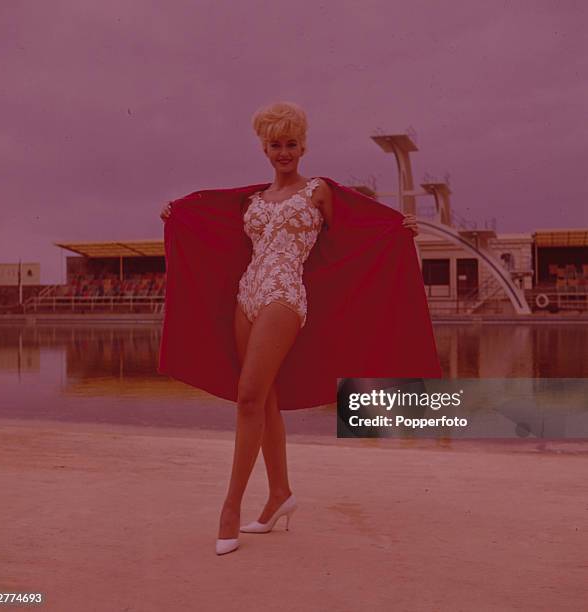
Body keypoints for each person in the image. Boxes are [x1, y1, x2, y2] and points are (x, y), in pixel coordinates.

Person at [158, 101, 441, 556]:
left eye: (291, 144)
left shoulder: (318, 191)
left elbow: (359, 223)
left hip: (285, 294)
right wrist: (179, 214)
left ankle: (229, 508)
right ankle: (279, 495)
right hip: (246, 293)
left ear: (303, 146)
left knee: (249, 395)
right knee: (264, 398)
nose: (284, 151)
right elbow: (214, 220)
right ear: (265, 149)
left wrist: (396, 226)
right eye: (276, 145)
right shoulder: (252, 200)